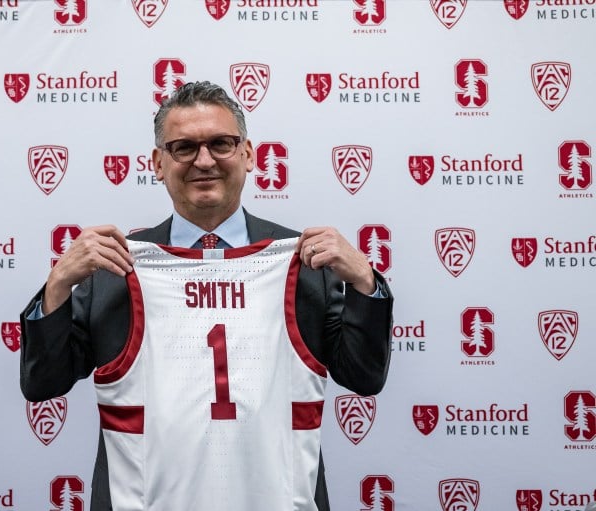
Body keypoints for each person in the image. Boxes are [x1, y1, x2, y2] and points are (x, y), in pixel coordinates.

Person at [20, 81, 393, 511]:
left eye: (220, 144)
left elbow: (365, 378)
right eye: (184, 147)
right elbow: (42, 384)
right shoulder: (115, 267)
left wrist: (365, 282)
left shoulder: (305, 264)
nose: (204, 160)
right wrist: (58, 286)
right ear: (158, 163)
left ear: (248, 155)